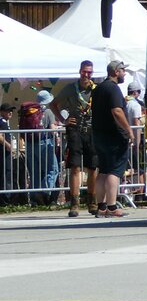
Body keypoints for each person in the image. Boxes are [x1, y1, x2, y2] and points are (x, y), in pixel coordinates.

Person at [52, 60, 97, 218]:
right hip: (75, 130)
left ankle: (92, 202)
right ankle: (75, 204)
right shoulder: (71, 88)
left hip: (92, 131)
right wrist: (63, 120)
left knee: (92, 168)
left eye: (89, 72)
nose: (86, 75)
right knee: (75, 167)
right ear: (79, 71)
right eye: (84, 71)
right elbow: (53, 104)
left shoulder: (96, 89)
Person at [91, 60, 135, 218]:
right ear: (116, 71)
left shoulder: (98, 89)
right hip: (113, 136)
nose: (124, 73)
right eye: (123, 70)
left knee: (103, 171)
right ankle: (111, 207)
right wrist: (128, 130)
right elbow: (117, 111)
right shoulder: (113, 88)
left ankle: (101, 207)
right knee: (114, 172)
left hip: (99, 134)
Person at [24, 90, 60, 206]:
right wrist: (58, 134)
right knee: (53, 169)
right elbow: (52, 128)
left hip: (30, 144)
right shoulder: (48, 111)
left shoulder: (29, 112)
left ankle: (34, 197)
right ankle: (45, 191)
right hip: (44, 143)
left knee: (34, 171)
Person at [0, 103, 16, 197]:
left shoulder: (5, 122)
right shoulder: (1, 122)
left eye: (11, 111)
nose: (10, 112)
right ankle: (5, 199)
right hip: (3, 152)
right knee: (6, 174)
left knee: (8, 173)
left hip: (6, 152)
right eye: (7, 111)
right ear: (2, 112)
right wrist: (8, 145)